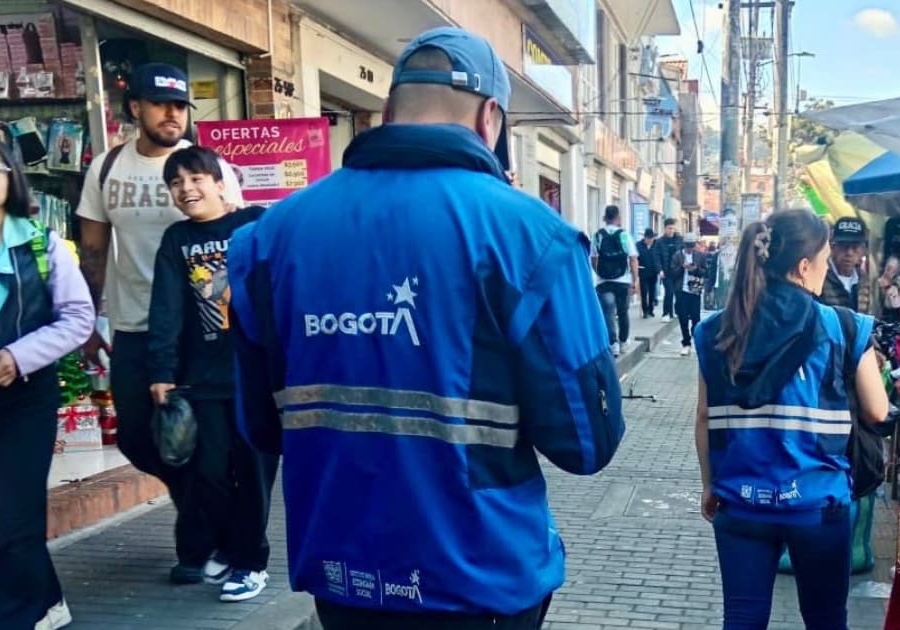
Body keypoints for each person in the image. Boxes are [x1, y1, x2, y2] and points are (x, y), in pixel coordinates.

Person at [227, 26, 624, 629]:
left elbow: (260, 426)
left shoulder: (268, 238)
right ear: (491, 118)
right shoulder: (531, 237)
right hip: (482, 579)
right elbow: (586, 443)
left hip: (343, 576)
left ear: (388, 112)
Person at [75, 63, 244, 583]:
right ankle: (200, 512)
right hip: (133, 325)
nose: (173, 115)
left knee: (201, 440)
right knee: (139, 439)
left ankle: (197, 544)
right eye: (161, 104)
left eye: (180, 106)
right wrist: (86, 319)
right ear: (135, 109)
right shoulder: (106, 169)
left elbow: (235, 244)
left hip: (197, 331)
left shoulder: (206, 167)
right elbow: (93, 251)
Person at [693, 210, 888, 630]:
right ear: (804, 266)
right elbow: (877, 410)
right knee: (825, 619)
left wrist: (709, 484)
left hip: (741, 503)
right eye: (823, 258)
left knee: (742, 619)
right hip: (818, 506)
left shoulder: (716, 331)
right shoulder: (843, 326)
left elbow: (704, 416)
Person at [146, 146, 278, 601]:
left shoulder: (255, 222)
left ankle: (251, 562)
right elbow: (165, 309)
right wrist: (161, 370)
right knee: (212, 471)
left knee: (254, 471)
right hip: (202, 379)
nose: (186, 189)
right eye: (176, 183)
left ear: (220, 183)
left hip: (255, 377)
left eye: (196, 179)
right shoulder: (176, 240)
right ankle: (230, 545)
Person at [0, 139, 95, 630]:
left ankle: (19, 614)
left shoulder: (41, 243)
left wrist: (18, 355)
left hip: (23, 399)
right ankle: (46, 598)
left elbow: (79, 318)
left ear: (11, 175)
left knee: (11, 510)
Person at [592, 205, 639, 356]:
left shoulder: (598, 235)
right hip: (623, 280)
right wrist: (634, 280)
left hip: (604, 281)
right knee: (623, 312)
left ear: (605, 218)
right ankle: (624, 341)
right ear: (618, 218)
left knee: (608, 313)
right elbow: (633, 259)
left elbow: (593, 258)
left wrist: (598, 272)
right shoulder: (624, 235)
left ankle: (613, 344)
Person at [818, 218, 871, 313]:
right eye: (844, 246)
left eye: (855, 247)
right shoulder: (820, 277)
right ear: (833, 247)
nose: (849, 253)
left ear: (863, 250)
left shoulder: (864, 279)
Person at [670, 233, 706, 356]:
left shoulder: (700, 256)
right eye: (688, 245)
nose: (690, 248)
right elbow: (672, 272)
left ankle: (695, 339)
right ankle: (686, 343)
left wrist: (695, 269)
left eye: (692, 245)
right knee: (683, 318)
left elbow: (705, 272)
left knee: (696, 318)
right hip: (681, 290)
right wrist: (682, 267)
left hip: (695, 290)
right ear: (684, 245)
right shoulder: (677, 256)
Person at [658, 218, 683, 322]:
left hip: (678, 271)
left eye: (672, 228)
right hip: (666, 271)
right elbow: (657, 256)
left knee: (678, 293)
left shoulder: (680, 239)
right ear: (664, 229)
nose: (671, 230)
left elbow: (684, 253)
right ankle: (666, 313)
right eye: (669, 228)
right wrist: (659, 270)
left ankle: (676, 312)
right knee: (669, 292)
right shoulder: (660, 242)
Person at [636, 228, 662, 319]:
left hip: (653, 271)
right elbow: (635, 258)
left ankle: (651, 309)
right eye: (648, 239)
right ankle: (645, 311)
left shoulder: (656, 245)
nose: (650, 240)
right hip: (642, 271)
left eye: (651, 238)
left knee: (652, 292)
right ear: (645, 238)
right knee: (644, 292)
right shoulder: (638, 245)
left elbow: (659, 257)